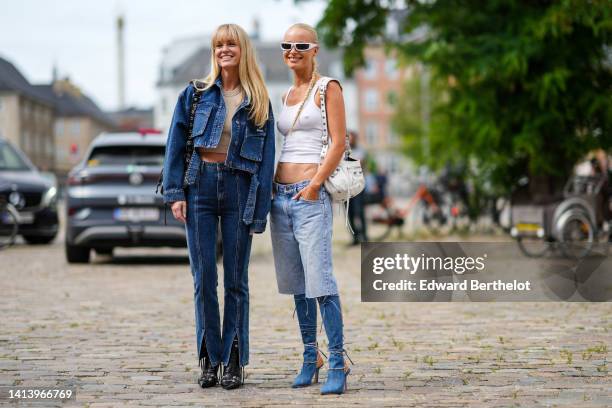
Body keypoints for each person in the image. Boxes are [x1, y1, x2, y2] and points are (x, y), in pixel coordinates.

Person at [162, 23, 275, 390]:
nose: (225, 49)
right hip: (200, 188)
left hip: (240, 188)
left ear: (243, 50)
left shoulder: (257, 99)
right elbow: (175, 143)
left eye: (231, 44)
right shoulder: (195, 95)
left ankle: (234, 360)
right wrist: (175, 192)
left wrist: (260, 209)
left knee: (236, 282)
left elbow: (267, 160)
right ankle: (209, 357)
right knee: (203, 279)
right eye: (219, 45)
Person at [270, 22, 353, 395]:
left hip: (309, 194)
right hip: (280, 197)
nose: (293, 50)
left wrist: (316, 184)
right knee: (297, 285)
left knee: (321, 282)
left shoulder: (328, 87)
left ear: (315, 49)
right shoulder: (287, 94)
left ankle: (338, 360)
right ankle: (310, 357)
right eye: (287, 44)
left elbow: (338, 143)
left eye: (301, 44)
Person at [346, 131, 368, 244]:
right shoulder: (343, 151)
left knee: (360, 212)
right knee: (349, 213)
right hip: (346, 186)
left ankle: (364, 236)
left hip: (358, 185)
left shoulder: (361, 150)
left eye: (351, 138)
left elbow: (361, 163)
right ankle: (354, 238)